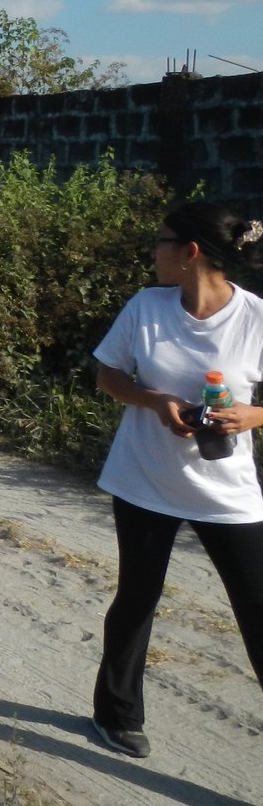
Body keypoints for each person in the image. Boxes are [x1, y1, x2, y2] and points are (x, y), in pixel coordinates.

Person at [88, 202, 263, 759]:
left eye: (161, 241)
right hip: (145, 479)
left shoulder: (256, 318)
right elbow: (108, 375)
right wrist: (156, 400)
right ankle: (116, 715)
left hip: (227, 491)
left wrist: (251, 416)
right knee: (137, 599)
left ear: (189, 253)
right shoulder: (146, 307)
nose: (153, 251)